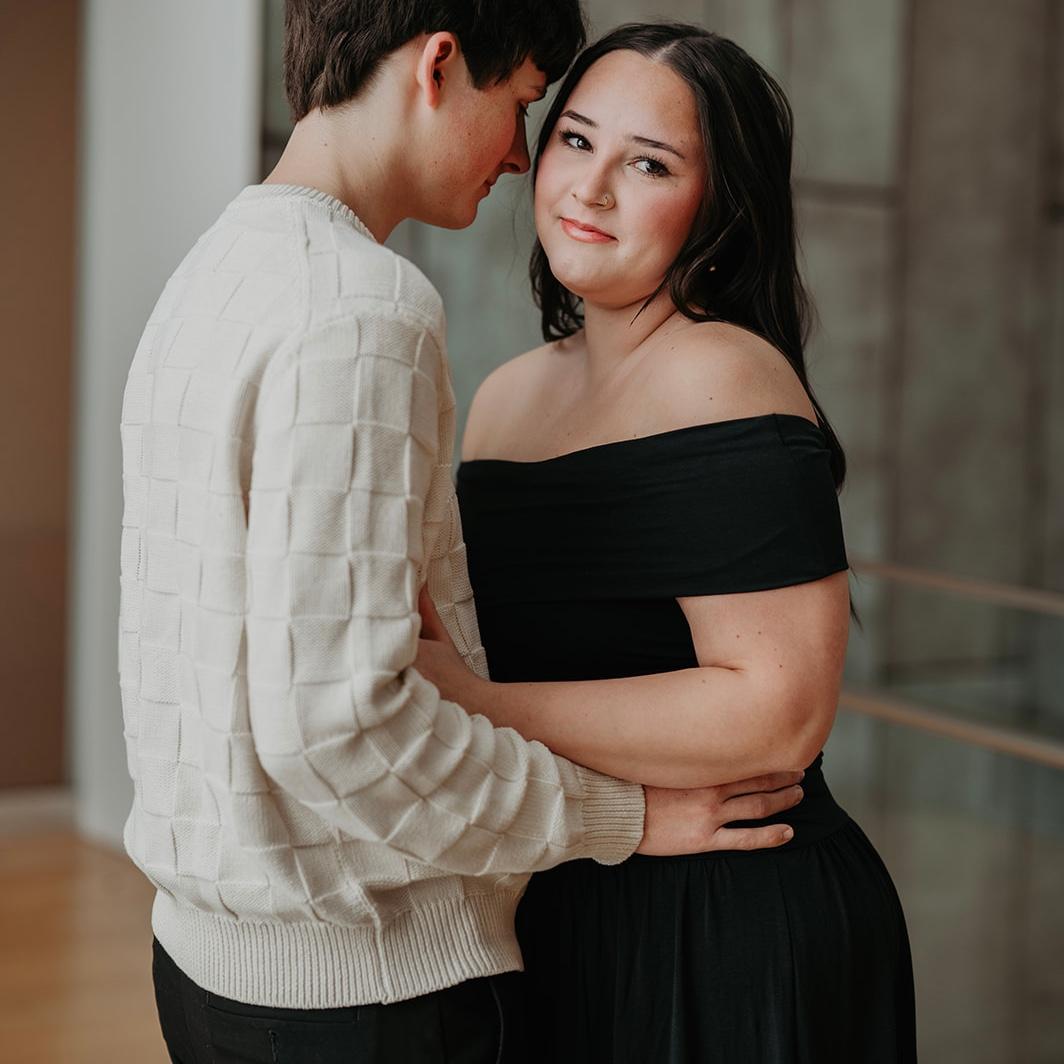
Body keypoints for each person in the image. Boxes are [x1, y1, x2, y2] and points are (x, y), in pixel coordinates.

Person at [118, 5, 808, 1062]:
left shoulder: (213, 273)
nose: (526, 160)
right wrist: (617, 816)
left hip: (216, 962)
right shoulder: (364, 307)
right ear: (439, 65)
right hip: (361, 982)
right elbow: (341, 727)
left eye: (645, 161)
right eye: (534, 109)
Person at [413, 21, 919, 1064]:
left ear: (718, 209)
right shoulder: (508, 396)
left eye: (648, 164)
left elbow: (777, 714)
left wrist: (473, 699)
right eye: (575, 140)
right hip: (570, 882)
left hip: (727, 912)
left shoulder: (725, 375)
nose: (590, 188)